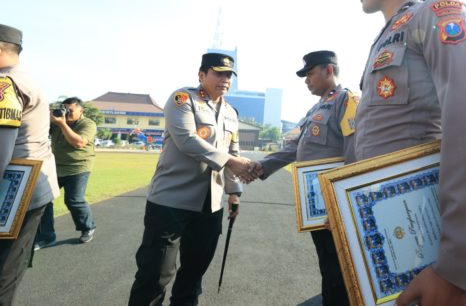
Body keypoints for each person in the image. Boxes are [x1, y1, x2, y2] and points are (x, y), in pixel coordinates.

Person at [349, 0, 466, 306]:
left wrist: (457, 266)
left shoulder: (435, 13)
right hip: (388, 230)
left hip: (428, 235)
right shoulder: (382, 39)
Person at [128, 52, 255, 305]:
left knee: (193, 275)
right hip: (171, 201)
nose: (225, 79)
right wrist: (232, 162)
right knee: (155, 274)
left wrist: (234, 193)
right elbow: (187, 140)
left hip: (211, 205)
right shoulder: (182, 99)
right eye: (218, 73)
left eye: (229, 75)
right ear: (201, 75)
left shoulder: (231, 112)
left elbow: (234, 152)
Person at [250, 50, 358, 306]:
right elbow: (295, 147)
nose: (306, 80)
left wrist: (343, 204)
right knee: (327, 264)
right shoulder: (317, 107)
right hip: (317, 204)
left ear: (329, 70)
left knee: (339, 269)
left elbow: (354, 151)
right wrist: (260, 166)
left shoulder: (347, 101)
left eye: (310, 73)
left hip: (334, 205)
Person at [0, 24, 60, 303]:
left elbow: (1, 148)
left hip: (12, 188)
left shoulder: (5, 84)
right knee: (11, 263)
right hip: (31, 184)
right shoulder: (25, 79)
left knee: (4, 269)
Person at [35, 96, 98, 248]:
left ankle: (87, 227)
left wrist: (62, 123)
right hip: (56, 167)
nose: (67, 113)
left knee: (73, 200)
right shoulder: (57, 121)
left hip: (78, 167)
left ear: (81, 110)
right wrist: (44, 115)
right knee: (43, 199)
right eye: (64, 109)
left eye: (71, 110)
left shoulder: (87, 123)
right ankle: (47, 236)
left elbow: (79, 142)